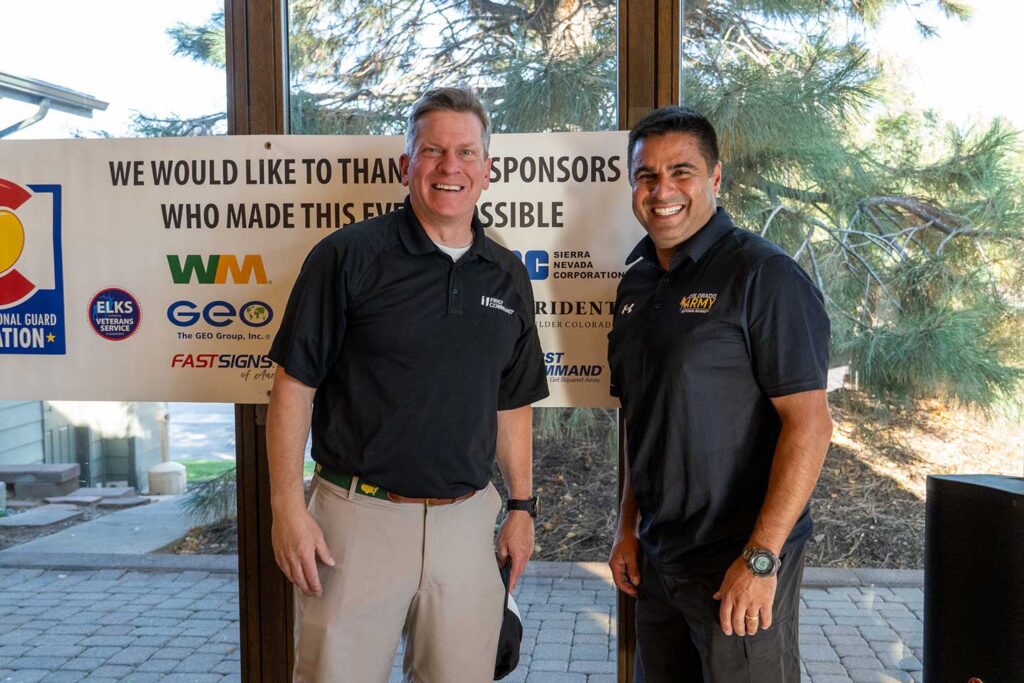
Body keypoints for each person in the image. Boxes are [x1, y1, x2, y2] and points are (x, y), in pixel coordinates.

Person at [266, 86, 548, 683]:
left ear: (487, 169)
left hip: (465, 527)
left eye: (466, 153)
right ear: (406, 165)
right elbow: (293, 386)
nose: (450, 167)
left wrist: (522, 507)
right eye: (432, 151)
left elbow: (513, 401)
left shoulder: (507, 274)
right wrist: (287, 507)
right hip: (354, 523)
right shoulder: (347, 257)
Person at [607, 106, 834, 682]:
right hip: (659, 558)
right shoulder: (635, 283)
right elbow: (640, 417)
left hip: (738, 560)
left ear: (714, 177)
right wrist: (627, 527)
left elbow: (810, 424)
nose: (662, 191)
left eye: (681, 172)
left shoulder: (763, 275)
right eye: (646, 176)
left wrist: (761, 558)